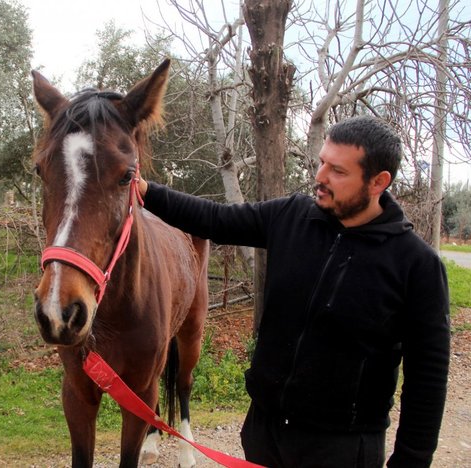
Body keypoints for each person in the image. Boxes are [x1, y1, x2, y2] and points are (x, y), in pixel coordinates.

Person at [138, 115, 450, 468]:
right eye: (321, 162)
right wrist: (144, 190)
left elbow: (428, 380)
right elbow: (213, 218)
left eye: (338, 171)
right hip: (265, 433)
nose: (320, 177)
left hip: (341, 450)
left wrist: (411, 461)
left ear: (378, 182)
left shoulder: (416, 265)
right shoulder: (292, 217)